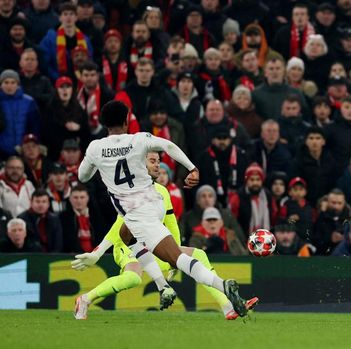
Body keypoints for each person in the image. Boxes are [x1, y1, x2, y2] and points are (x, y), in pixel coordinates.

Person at [74, 100, 250, 318]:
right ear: (126, 120)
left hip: (139, 211)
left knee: (176, 258)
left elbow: (82, 176)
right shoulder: (138, 139)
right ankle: (162, 285)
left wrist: (99, 164)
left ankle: (223, 285)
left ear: (102, 123)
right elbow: (168, 145)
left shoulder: (95, 148)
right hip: (155, 199)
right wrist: (191, 168)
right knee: (126, 234)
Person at [40, 76, 90, 161]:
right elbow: (46, 134)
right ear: (56, 90)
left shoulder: (79, 109)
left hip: (77, 152)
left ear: (72, 90)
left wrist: (79, 128)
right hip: (55, 153)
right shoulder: (49, 109)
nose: (65, 90)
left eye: (68, 87)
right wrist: (64, 127)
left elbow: (86, 132)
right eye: (61, 87)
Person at [39, 3, 93, 80]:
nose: (68, 17)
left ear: (76, 17)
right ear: (60, 18)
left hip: (81, 80)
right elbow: (45, 63)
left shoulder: (85, 40)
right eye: (65, 14)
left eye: (71, 14)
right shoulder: (49, 39)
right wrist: (57, 77)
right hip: (57, 81)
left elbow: (90, 61)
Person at [288, 126, 338, 205]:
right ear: (306, 141)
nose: (314, 141)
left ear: (323, 141)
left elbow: (334, 183)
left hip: (326, 202)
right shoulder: (298, 162)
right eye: (311, 138)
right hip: (304, 203)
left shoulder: (330, 161)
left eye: (318, 138)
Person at [0, 69, 40, 159]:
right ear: (1, 85)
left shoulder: (29, 102)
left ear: (18, 85)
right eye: (6, 82)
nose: (9, 86)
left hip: (23, 151)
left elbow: (34, 127)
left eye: (13, 82)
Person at [60, 183, 105, 253]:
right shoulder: (63, 218)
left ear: (87, 198)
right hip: (71, 257)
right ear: (70, 199)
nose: (79, 201)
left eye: (82, 197)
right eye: (75, 197)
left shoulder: (97, 216)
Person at [18, 188, 63, 252]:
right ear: (31, 202)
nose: (41, 205)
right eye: (37, 201)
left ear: (48, 204)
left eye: (44, 202)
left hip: (53, 257)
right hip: (31, 256)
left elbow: (58, 243)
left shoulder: (55, 219)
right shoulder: (22, 219)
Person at [313, 188, 351, 255]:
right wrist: (329, 238)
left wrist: (345, 239)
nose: (336, 207)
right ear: (328, 202)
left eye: (339, 203)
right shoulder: (321, 218)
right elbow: (315, 240)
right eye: (333, 203)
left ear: (344, 203)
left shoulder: (349, 219)